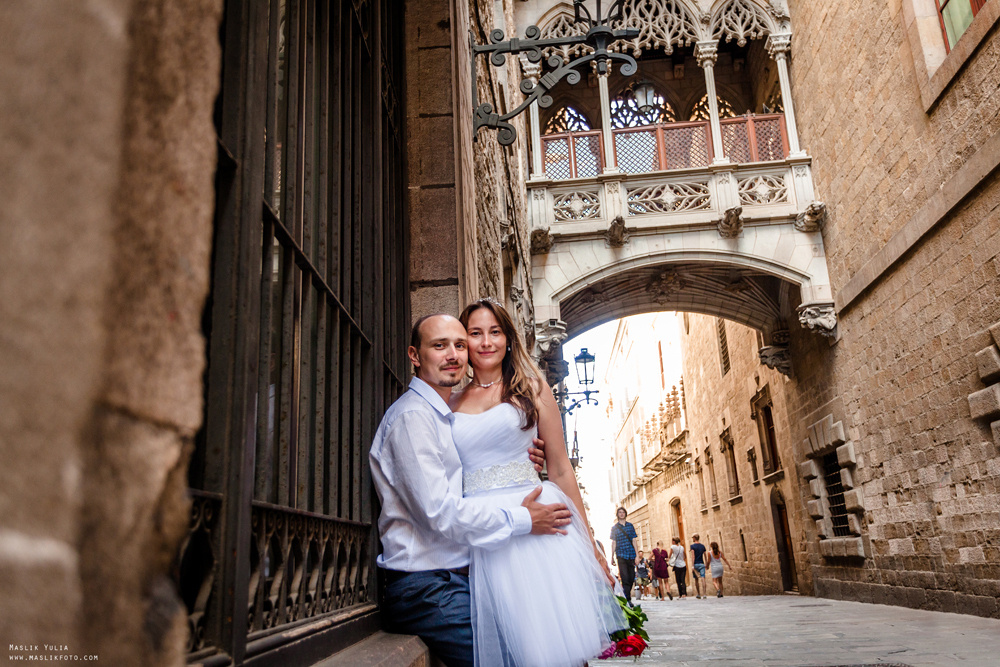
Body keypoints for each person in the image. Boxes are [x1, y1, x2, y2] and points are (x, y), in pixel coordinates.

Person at [370, 313, 574, 667]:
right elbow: (440, 513)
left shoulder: (442, 414)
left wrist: (526, 459)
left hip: (451, 579)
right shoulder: (413, 418)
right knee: (515, 659)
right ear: (415, 356)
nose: (452, 355)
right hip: (424, 587)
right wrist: (523, 518)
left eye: (459, 345)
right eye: (439, 345)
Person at [451, 299, 625, 666]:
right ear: (463, 342)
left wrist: (590, 543)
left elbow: (561, 469)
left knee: (550, 643)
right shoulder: (450, 401)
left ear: (509, 339)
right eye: (475, 333)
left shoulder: (532, 388)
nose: (486, 342)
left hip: (540, 531)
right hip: (484, 531)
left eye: (495, 332)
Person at [610, 507, 640, 606]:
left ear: (625, 514)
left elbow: (634, 541)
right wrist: (612, 556)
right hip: (621, 554)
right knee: (625, 577)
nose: (621, 514)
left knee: (631, 577)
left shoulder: (630, 526)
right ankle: (628, 599)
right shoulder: (614, 528)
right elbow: (613, 542)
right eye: (620, 512)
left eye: (623, 512)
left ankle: (626, 595)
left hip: (631, 554)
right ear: (617, 515)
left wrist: (637, 556)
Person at [689, 534, 707, 599]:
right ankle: (704, 594)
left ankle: (698, 593)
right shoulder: (702, 546)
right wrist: (706, 563)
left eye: (693, 538)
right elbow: (705, 555)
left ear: (694, 538)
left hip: (696, 564)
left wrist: (692, 565)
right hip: (702, 564)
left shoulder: (692, 546)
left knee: (696, 579)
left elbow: (693, 556)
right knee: (703, 578)